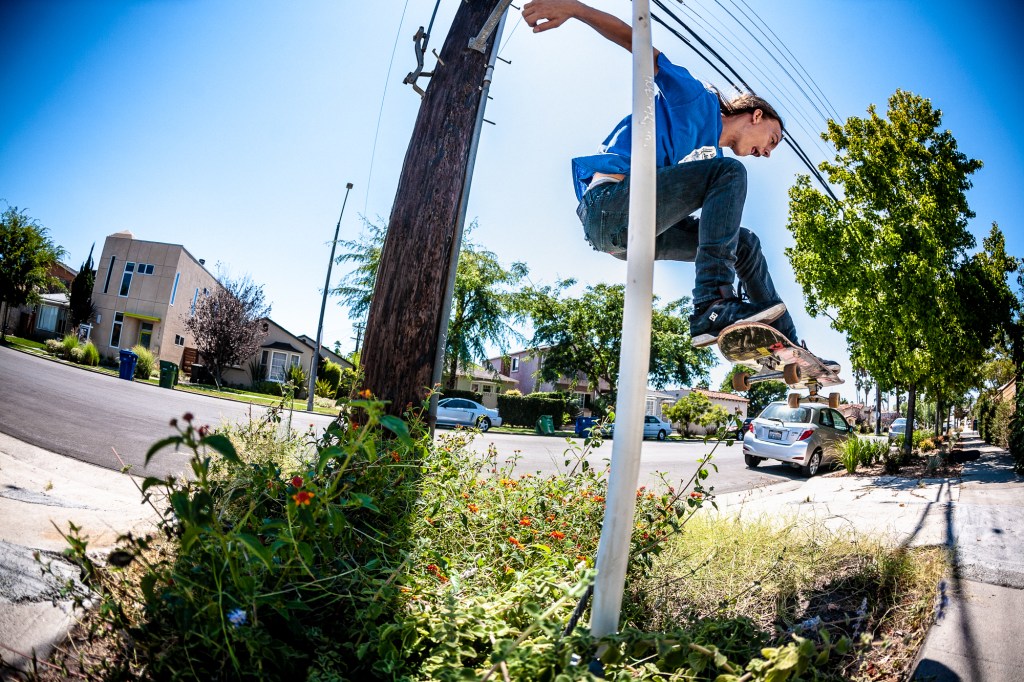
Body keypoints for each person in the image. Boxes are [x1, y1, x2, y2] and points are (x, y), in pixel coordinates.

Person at [523, 0, 806, 349]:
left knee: (745, 243)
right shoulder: (696, 99)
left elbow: (709, 224)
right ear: (757, 115)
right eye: (772, 141)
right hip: (611, 205)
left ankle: (786, 342)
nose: (767, 153)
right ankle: (713, 303)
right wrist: (576, 9)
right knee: (731, 173)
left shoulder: (712, 160)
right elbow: (638, 45)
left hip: (642, 229)